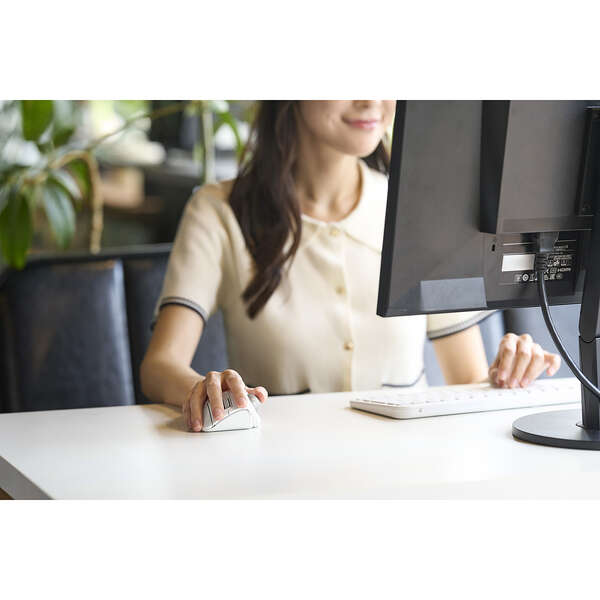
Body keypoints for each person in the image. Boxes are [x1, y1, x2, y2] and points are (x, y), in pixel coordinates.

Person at [141, 100, 561, 432]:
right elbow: (160, 366)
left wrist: (509, 370)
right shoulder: (218, 211)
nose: (370, 100)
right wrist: (205, 390)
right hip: (282, 469)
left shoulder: (423, 208)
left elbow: (468, 377)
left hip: (413, 470)